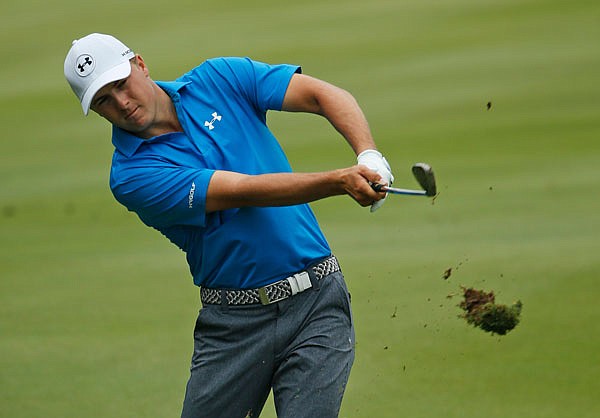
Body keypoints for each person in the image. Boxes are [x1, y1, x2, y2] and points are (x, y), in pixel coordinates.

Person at [64, 33, 394, 418]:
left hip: (318, 301)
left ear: (140, 64)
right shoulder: (132, 176)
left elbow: (321, 95)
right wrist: (338, 180)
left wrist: (368, 153)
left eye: (121, 84)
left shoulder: (219, 78)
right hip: (234, 327)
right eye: (104, 99)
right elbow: (243, 190)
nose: (122, 103)